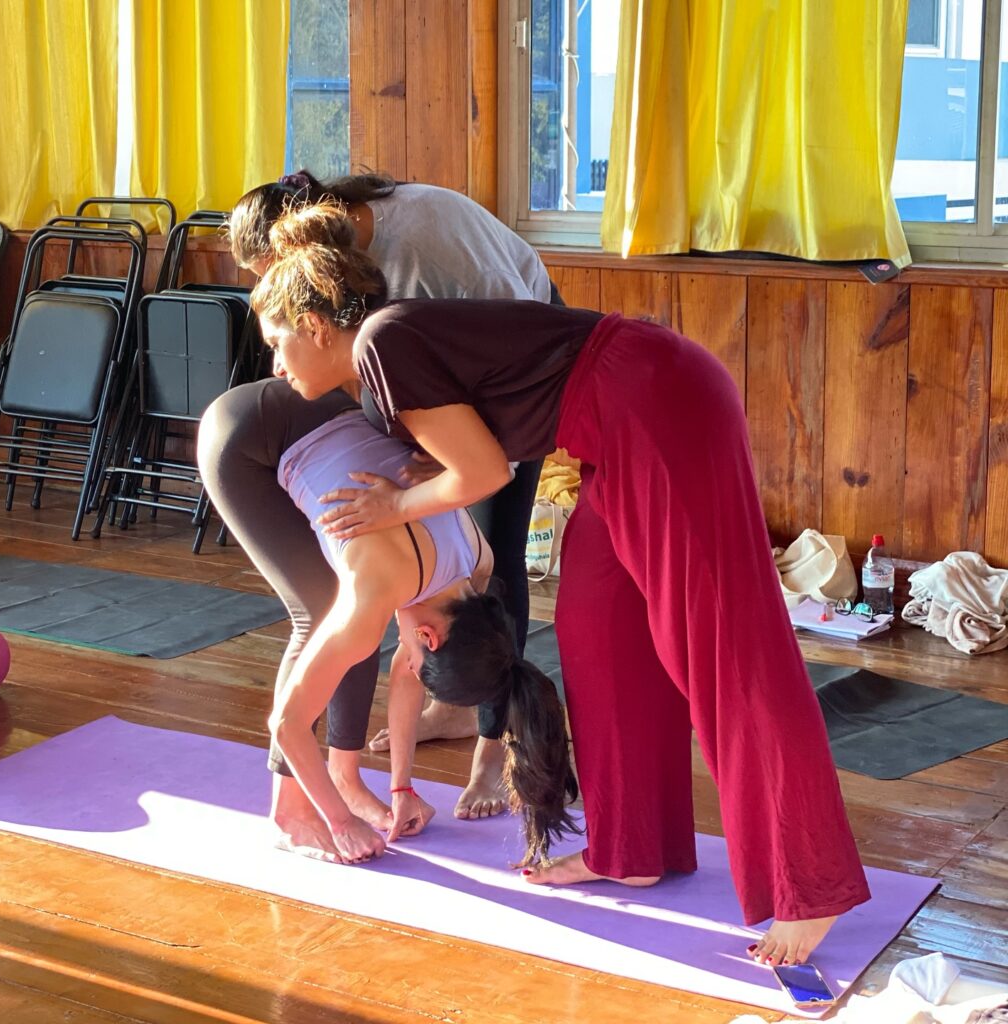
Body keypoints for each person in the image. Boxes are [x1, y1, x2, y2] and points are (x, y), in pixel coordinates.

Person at [245, 199, 872, 969]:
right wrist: (412, 476)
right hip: (617, 427)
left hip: (659, 404)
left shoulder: (380, 341)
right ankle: (630, 845)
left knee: (722, 649)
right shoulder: (384, 355)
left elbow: (484, 473)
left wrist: (395, 503)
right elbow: (467, 445)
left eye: (277, 342)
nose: (275, 364)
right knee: (595, 626)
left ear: (314, 326)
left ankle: (815, 885)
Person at [213, 170, 563, 823]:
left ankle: (487, 746)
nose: (273, 299)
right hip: (262, 438)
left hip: (523, 364)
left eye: (274, 276)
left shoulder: (425, 250)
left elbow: (491, 463)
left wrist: (441, 476)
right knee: (338, 609)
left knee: (483, 546)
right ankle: (332, 782)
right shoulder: (362, 323)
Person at [198, 385, 576, 863]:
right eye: (419, 659)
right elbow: (286, 723)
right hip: (243, 436)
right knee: (317, 618)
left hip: (321, 405)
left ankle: (343, 778)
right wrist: (341, 822)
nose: (408, 664)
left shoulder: (477, 562)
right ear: (428, 637)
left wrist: (402, 786)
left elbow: (405, 671)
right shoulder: (377, 590)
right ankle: (291, 816)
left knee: (353, 633)